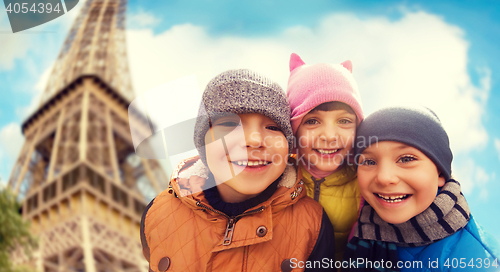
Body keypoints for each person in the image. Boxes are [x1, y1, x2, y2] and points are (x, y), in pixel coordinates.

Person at [140, 69, 335, 272]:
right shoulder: (157, 214)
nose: (254, 140)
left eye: (273, 127)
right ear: (202, 141)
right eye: (229, 124)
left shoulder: (313, 224)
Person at [343, 106, 499, 271]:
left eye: (406, 159)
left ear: (440, 173)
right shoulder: (362, 226)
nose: (384, 177)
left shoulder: (477, 260)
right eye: (369, 162)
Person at [287, 53, 364, 262]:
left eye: (344, 121)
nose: (330, 136)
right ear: (293, 130)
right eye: (312, 121)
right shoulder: (275, 177)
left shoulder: (367, 182)